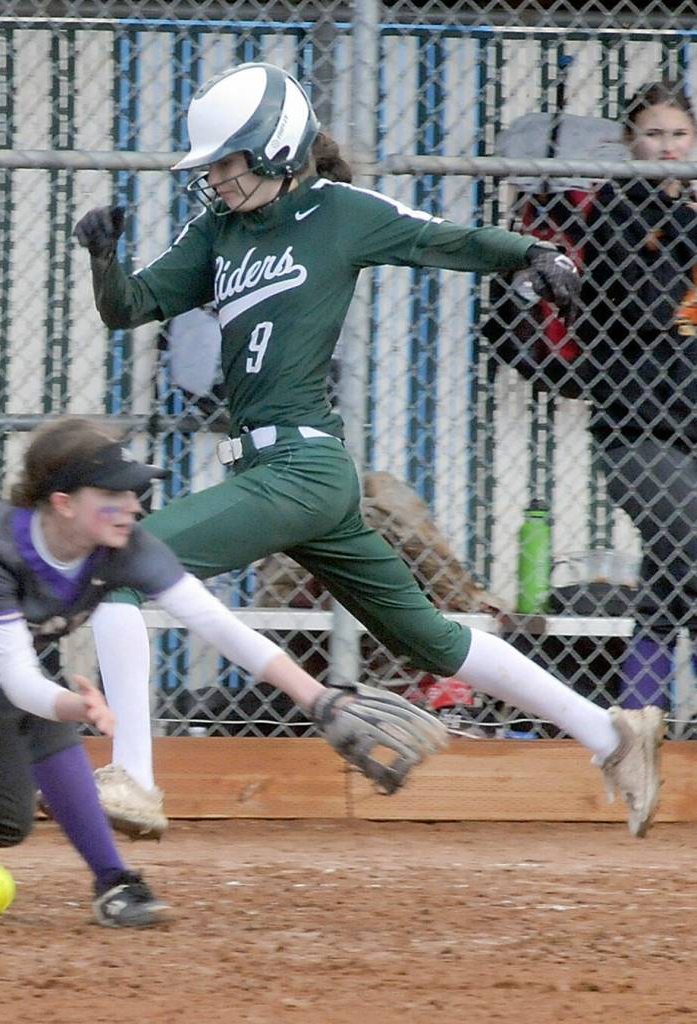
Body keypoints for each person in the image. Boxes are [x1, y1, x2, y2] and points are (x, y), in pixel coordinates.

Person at [75, 61, 664, 840]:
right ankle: (612, 734)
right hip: (275, 475)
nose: (212, 177)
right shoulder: (215, 231)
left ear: (278, 149)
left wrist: (531, 252)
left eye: (226, 160)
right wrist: (103, 258)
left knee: (120, 568)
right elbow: (131, 308)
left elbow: (439, 239)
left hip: (304, 467)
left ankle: (137, 781)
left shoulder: (338, 212)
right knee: (429, 638)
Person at [0, 415, 444, 927]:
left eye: (133, 493)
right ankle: (115, 884)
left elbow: (213, 621)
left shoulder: (120, 546)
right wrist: (73, 708)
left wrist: (316, 696)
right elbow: (16, 682)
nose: (130, 505)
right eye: (112, 494)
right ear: (62, 501)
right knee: (34, 718)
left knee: (1, 820)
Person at [575, 80, 697, 713]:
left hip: (691, 432)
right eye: (654, 133)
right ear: (630, 143)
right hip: (639, 432)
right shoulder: (618, 208)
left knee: (670, 586)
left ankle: (636, 725)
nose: (669, 147)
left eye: (680, 134)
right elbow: (648, 305)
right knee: (692, 559)